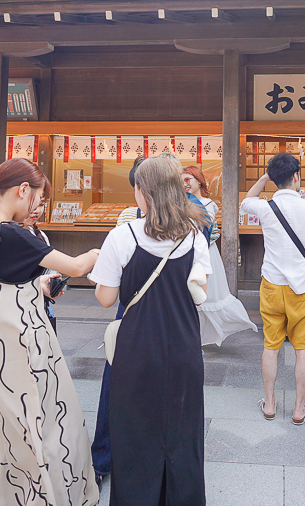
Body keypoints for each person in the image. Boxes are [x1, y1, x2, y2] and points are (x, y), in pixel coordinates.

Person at [0, 158, 101, 506]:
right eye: (38, 198)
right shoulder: (9, 234)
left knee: (4, 438)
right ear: (22, 191)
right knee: (47, 433)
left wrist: (39, 288)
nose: (38, 207)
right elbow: (76, 266)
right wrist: (98, 250)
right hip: (22, 359)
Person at [89, 154, 213, 506]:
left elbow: (105, 297)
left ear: (143, 192)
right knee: (182, 437)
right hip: (184, 347)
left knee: (135, 437)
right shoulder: (194, 237)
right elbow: (199, 294)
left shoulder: (123, 235)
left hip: (136, 350)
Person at [241, 153, 305, 425]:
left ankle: (269, 404)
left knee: (271, 346)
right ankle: (299, 409)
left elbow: (244, 202)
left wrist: (266, 177)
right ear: (296, 177)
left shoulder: (266, 208)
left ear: (275, 180)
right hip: (302, 287)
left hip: (271, 284)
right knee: (302, 348)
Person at [92, 155, 144, 485]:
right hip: (154, 315)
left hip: (128, 310)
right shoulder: (188, 224)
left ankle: (104, 460)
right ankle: (105, 457)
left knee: (116, 386)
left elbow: (106, 288)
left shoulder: (189, 221)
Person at [182, 165, 258, 345]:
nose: (184, 184)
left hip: (204, 253)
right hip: (189, 252)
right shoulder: (184, 202)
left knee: (205, 295)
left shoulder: (209, 204)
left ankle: (198, 339)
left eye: (187, 179)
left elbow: (201, 230)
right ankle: (192, 338)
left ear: (199, 181)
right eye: (181, 180)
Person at [22, 198, 61, 334]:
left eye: (41, 205)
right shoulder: (7, 235)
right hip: (19, 311)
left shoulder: (40, 235)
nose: (36, 210)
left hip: (42, 307)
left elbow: (51, 269)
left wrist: (52, 285)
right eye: (31, 204)